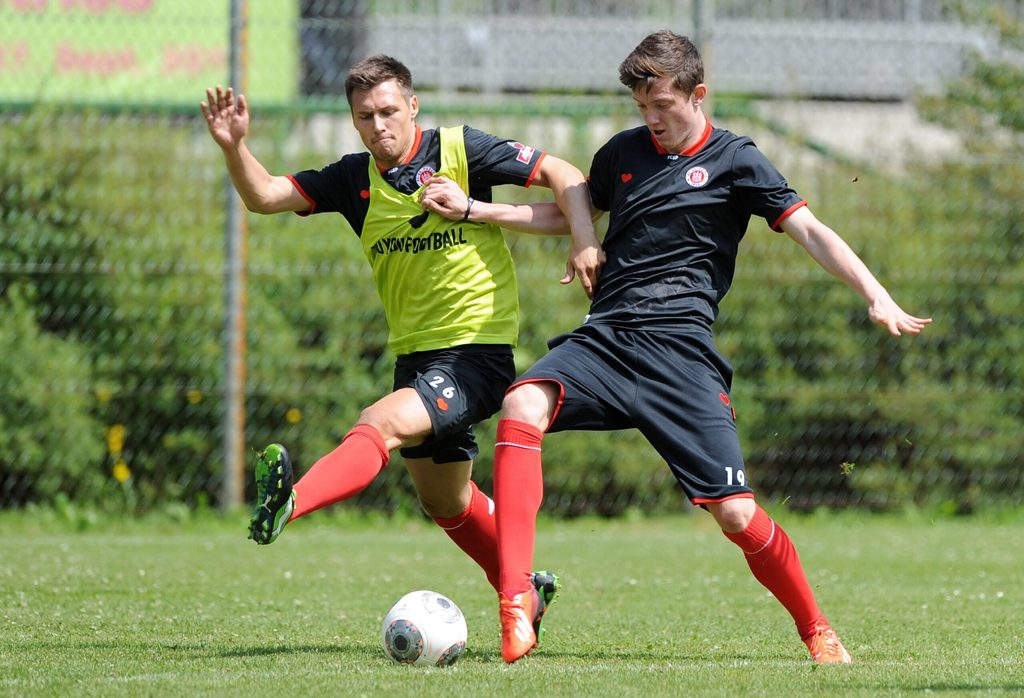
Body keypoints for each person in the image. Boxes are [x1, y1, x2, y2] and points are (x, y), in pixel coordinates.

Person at [421, 30, 932, 664]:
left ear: (698, 94)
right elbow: (568, 211)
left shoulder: (737, 160)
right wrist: (473, 209)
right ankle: (516, 598)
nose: (652, 119)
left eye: (662, 105)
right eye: (642, 108)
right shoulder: (624, 154)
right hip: (606, 340)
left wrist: (874, 292)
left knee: (738, 516)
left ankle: (816, 628)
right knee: (523, 402)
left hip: (681, 356)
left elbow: (810, 230)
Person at [200, 54, 603, 642]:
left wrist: (585, 240)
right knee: (447, 500)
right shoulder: (352, 179)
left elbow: (565, 175)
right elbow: (263, 196)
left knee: (379, 423)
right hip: (416, 358)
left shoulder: (463, 150)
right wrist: (234, 146)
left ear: (412, 106)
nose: (378, 125)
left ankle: (289, 504)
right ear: (354, 121)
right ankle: (525, 588)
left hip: (476, 353)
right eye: (365, 116)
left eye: (389, 110)